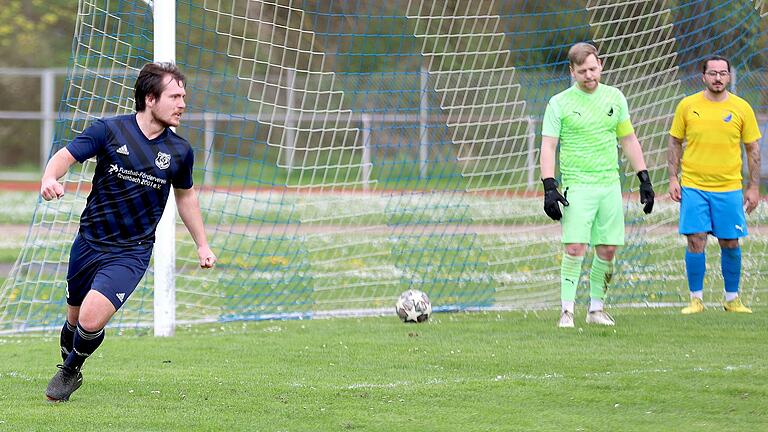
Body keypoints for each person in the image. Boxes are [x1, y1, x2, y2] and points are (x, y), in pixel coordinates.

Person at [40, 62, 217, 401]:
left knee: (91, 320)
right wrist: (50, 178)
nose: (183, 104)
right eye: (175, 96)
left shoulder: (180, 151)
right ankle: (70, 358)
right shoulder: (108, 130)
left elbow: (186, 197)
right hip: (89, 241)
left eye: (184, 97)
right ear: (151, 98)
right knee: (74, 318)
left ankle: (71, 370)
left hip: (131, 251)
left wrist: (202, 245)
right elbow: (64, 157)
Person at [540, 42, 655, 328]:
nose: (589, 75)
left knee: (607, 249)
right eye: (582, 71)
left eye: (593, 69)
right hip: (577, 185)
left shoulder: (615, 97)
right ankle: (567, 311)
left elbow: (628, 139)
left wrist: (644, 177)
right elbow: (548, 145)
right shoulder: (559, 103)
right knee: (576, 247)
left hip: (609, 184)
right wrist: (549, 186)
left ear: (600, 65)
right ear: (572, 72)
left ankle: (596, 309)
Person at [668, 55, 762, 315]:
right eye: (713, 73)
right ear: (703, 77)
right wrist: (673, 178)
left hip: (729, 188)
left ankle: (731, 299)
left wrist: (753, 187)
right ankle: (695, 299)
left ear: (729, 77)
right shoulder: (687, 106)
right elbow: (675, 141)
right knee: (695, 240)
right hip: (694, 186)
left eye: (723, 73)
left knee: (730, 241)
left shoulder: (742, 108)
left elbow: (752, 148)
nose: (718, 78)